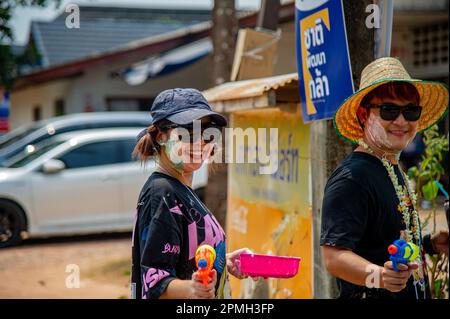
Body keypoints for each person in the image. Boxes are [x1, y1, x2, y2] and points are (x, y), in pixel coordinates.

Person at [320, 57, 449, 299]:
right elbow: (334, 258)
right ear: (363, 114)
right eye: (389, 110)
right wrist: (380, 277)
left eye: (411, 111)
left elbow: (380, 243)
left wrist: (430, 244)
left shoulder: (389, 165)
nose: (401, 121)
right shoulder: (352, 178)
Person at [130, 88, 254, 299]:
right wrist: (193, 289)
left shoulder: (181, 189)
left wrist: (224, 262)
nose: (200, 143)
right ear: (161, 136)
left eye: (208, 132)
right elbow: (154, 281)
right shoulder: (162, 193)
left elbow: (183, 262)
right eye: (188, 132)